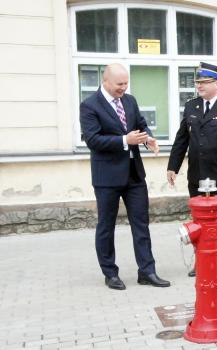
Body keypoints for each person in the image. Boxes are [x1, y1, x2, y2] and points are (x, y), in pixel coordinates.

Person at [80, 63, 170, 290]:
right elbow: (93, 140)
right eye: (120, 84)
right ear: (106, 81)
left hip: (134, 175)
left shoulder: (129, 101)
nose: (124, 88)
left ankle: (147, 271)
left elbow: (140, 125)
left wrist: (148, 138)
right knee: (106, 226)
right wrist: (124, 141)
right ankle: (110, 273)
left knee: (141, 224)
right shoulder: (89, 105)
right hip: (107, 177)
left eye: (126, 83)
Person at [167, 62, 217, 279]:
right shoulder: (192, 106)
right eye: (198, 82)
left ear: (216, 83)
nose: (199, 86)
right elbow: (181, 138)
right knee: (198, 222)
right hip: (198, 175)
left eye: (204, 82)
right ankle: (201, 260)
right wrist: (173, 166)